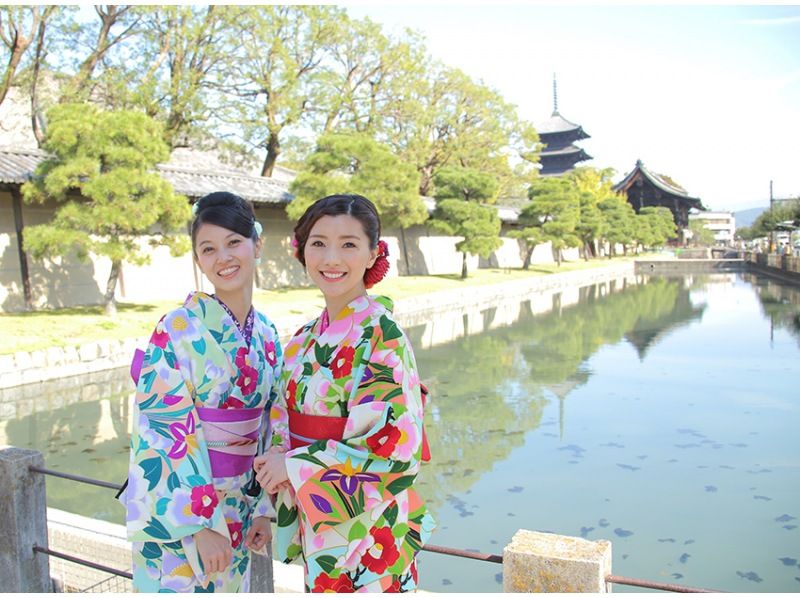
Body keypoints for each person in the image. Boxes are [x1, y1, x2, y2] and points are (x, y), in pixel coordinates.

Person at [254, 193, 435, 593]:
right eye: (318, 243)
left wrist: (297, 466)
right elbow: (283, 420)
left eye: (349, 244)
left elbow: (394, 452)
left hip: (370, 530)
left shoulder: (384, 336)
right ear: (302, 252)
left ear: (373, 254)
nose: (331, 258)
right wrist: (277, 462)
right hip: (318, 521)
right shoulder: (303, 340)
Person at [120, 191, 283, 592]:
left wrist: (264, 510)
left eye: (233, 243)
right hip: (185, 519)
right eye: (208, 249)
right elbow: (162, 429)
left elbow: (269, 427)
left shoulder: (267, 334)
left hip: (239, 513)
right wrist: (199, 525)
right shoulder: (176, 328)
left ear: (256, 244)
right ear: (198, 260)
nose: (222, 258)